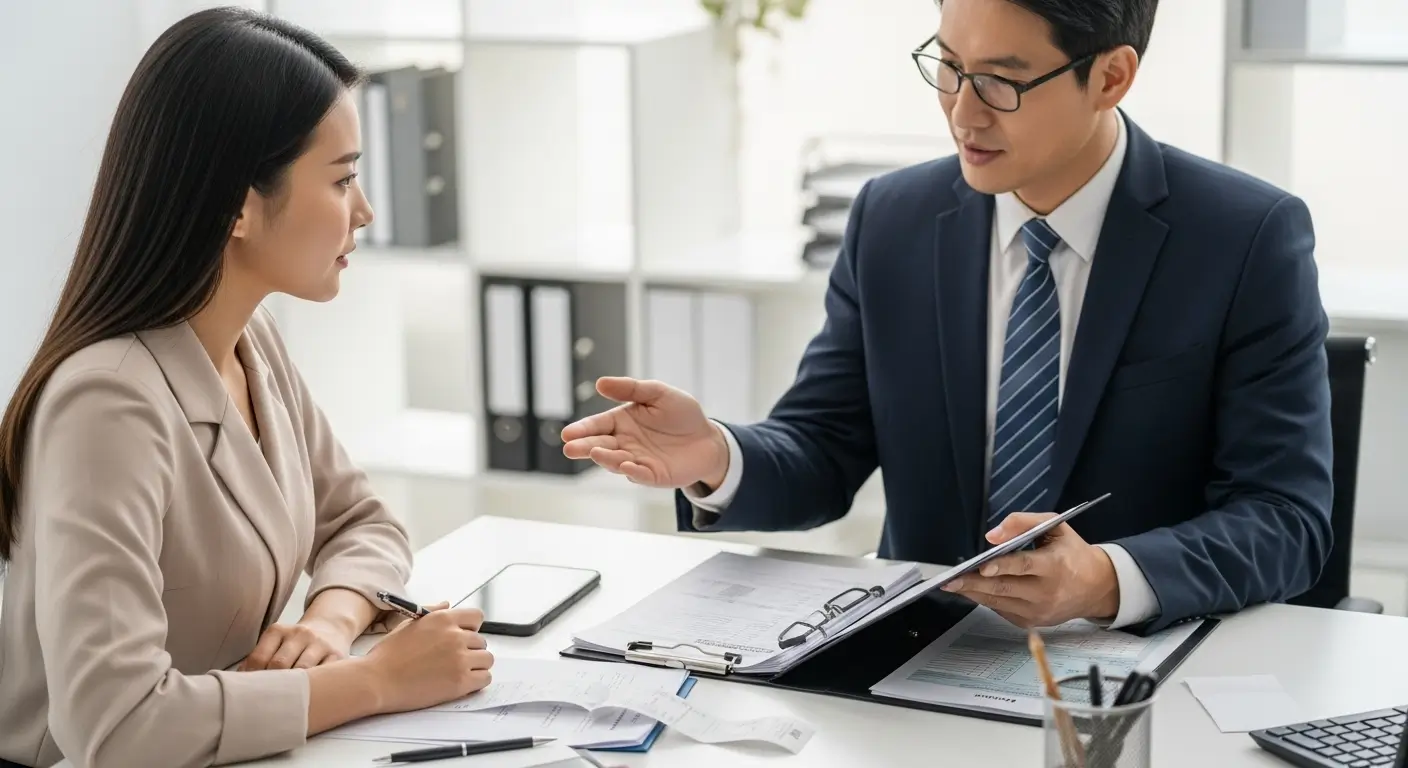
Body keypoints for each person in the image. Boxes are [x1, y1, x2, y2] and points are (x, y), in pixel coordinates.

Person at [563, 0, 1333, 637]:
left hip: (1131, 665)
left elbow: (1285, 518)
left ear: (1111, 76)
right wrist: (715, 456)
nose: (963, 113)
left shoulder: (1244, 237)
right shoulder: (894, 217)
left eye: (1002, 81)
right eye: (950, 68)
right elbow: (827, 446)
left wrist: (1102, 578)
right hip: (916, 649)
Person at [0, 8, 493, 768]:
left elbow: (363, 521)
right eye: (343, 179)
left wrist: (329, 623)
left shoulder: (249, 342)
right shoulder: (107, 403)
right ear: (239, 204)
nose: (364, 211)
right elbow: (116, 724)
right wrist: (376, 682)